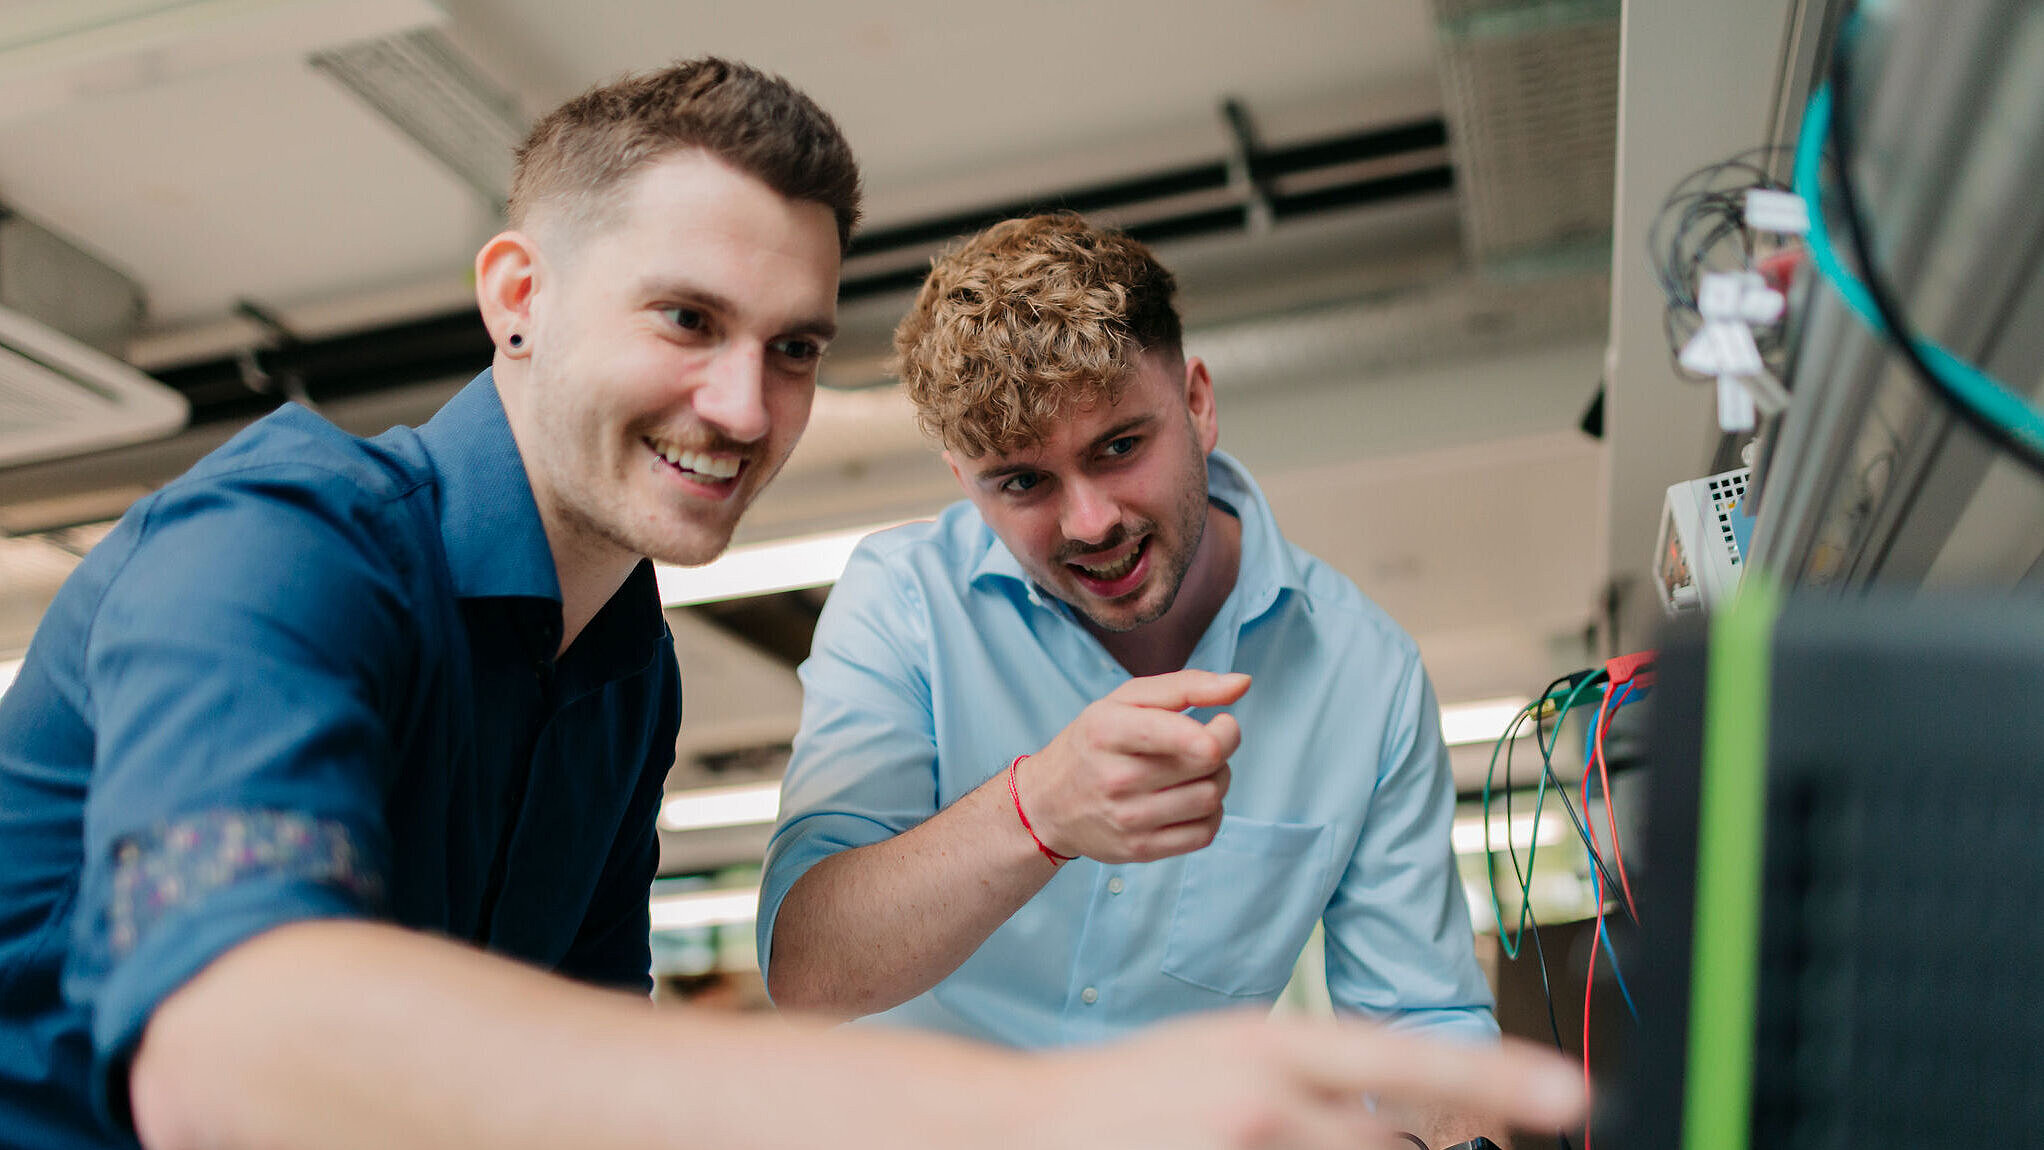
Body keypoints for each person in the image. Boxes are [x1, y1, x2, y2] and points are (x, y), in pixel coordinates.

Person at [0, 60, 1581, 1150]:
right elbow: (234, 1058)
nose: (744, 406)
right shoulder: (280, 543)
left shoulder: (624, 672)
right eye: (686, 317)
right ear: (520, 297)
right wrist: (1040, 1118)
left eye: (797, 347)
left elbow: (580, 1070)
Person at [761, 214, 1506, 1147]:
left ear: (1196, 401)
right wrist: (1036, 814)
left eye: (1118, 446)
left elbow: (1423, 1028)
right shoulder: (903, 601)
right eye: (1022, 483)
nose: (1089, 521)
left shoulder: (1365, 671)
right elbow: (809, 969)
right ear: (963, 477)